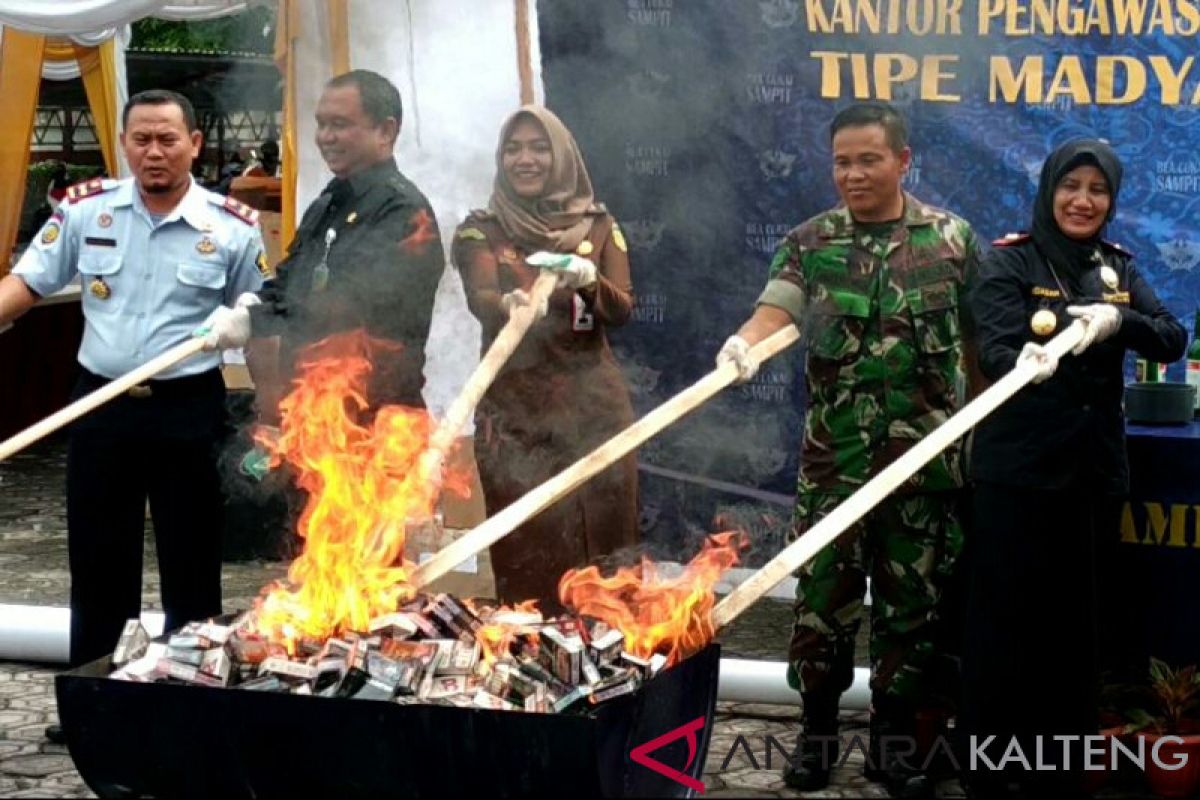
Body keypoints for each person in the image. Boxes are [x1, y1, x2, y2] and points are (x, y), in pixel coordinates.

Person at [715, 102, 979, 797]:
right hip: (836, 472)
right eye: (841, 161)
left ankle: (892, 745)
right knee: (823, 610)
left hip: (923, 475)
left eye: (868, 159)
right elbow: (777, 311)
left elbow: (980, 353)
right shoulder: (810, 243)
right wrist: (747, 343)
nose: (853, 174)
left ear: (902, 160)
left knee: (910, 613)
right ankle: (818, 736)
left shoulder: (953, 242)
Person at [0, 89, 266, 739]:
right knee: (97, 564)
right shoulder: (87, 212)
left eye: (168, 140)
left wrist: (270, 394)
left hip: (188, 411)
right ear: (124, 143)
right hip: (101, 406)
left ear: (195, 146)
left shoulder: (232, 226)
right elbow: (27, 285)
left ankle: (190, 704)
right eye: (141, 139)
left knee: (191, 566)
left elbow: (265, 316)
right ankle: (93, 707)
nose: (154, 152)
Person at [961, 139, 1186, 798]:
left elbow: (1170, 333)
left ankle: (1060, 774)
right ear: (1049, 190)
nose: (1083, 200)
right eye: (1071, 186)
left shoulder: (1117, 269)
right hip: (1018, 478)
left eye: (1097, 189)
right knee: (1005, 631)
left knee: (1076, 635)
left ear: (1110, 200)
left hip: (1089, 480)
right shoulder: (1008, 260)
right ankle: (990, 773)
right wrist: (1061, 329)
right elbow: (999, 349)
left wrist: (1116, 319)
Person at [450, 105, 639, 612]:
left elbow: (622, 307)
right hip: (514, 416)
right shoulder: (480, 230)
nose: (525, 160)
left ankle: (610, 667)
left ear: (561, 157)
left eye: (539, 148)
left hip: (594, 411)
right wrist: (509, 306)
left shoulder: (598, 227)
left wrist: (587, 280)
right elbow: (481, 295)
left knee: (605, 550)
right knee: (526, 551)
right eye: (514, 149)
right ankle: (530, 674)